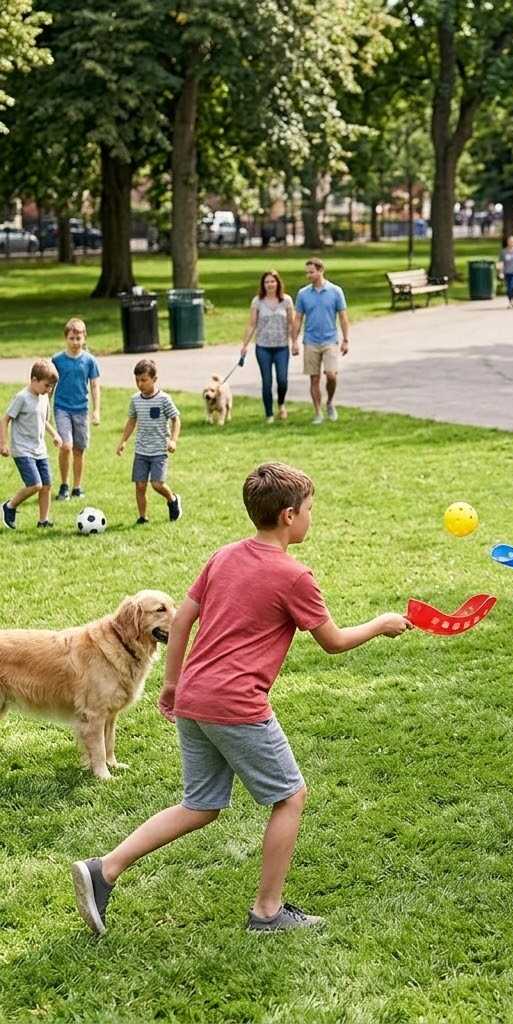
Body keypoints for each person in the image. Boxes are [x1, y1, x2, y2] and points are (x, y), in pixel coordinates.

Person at [70, 462, 411, 936]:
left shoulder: (224, 555)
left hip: (194, 696)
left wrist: (172, 684)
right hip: (236, 705)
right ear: (289, 516)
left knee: (200, 805)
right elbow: (332, 641)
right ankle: (268, 912)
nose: (313, 517)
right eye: (310, 509)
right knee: (290, 797)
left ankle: (102, 870)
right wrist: (381, 623)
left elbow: (184, 620)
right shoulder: (295, 577)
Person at [116, 358, 182, 525]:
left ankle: (172, 499)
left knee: (157, 484)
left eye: (144, 380)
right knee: (140, 485)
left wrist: (173, 440)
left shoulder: (164, 399)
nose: (140, 384)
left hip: (159, 450)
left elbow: (176, 419)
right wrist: (123, 441)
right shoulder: (135, 400)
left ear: (154, 379)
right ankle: (143, 517)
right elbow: (131, 421)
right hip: (141, 451)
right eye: (137, 380)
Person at [0, 358, 61, 529]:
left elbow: (43, 421)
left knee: (47, 485)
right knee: (35, 484)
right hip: (23, 450)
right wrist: (3, 444)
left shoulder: (43, 398)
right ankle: (9, 506)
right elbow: (4, 420)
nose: (49, 390)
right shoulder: (22, 398)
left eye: (51, 387)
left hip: (40, 449)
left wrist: (54, 434)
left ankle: (43, 521)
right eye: (46, 386)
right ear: (34, 380)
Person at [292, 258, 349, 425]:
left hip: (330, 340)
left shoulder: (335, 291)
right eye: (307, 272)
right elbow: (298, 318)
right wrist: (294, 341)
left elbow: (343, 317)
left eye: (311, 272)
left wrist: (346, 339)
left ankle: (330, 402)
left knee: (331, 375)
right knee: (314, 378)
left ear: (321, 270)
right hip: (310, 341)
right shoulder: (303, 294)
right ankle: (318, 412)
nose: (308, 275)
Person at [52, 317, 100, 501]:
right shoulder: (57, 360)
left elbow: (95, 386)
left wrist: (96, 410)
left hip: (81, 410)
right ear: (66, 338)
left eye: (78, 338)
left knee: (79, 449)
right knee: (66, 446)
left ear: (84, 338)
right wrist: (45, 409)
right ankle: (64, 485)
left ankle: (77, 487)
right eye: (71, 338)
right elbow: (49, 386)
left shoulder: (90, 361)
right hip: (62, 408)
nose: (75, 342)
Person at [241, 270, 295, 424]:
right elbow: (252, 324)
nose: (270, 284)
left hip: (282, 346)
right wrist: (245, 345)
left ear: (278, 283)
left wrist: (295, 342)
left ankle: (281, 404)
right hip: (263, 346)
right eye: (267, 282)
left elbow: (292, 323)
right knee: (267, 381)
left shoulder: (286, 301)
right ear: (263, 285)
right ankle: (269, 414)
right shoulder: (257, 301)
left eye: (272, 281)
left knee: (282, 380)